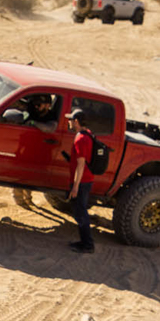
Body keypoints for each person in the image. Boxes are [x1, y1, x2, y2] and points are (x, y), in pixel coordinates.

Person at [63, 106, 96, 253]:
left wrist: (75, 186)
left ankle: (87, 245)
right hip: (86, 180)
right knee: (80, 211)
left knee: (80, 213)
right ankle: (85, 242)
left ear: (76, 121)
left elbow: (81, 164)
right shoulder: (87, 134)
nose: (69, 122)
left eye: (70, 120)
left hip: (82, 182)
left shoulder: (80, 139)